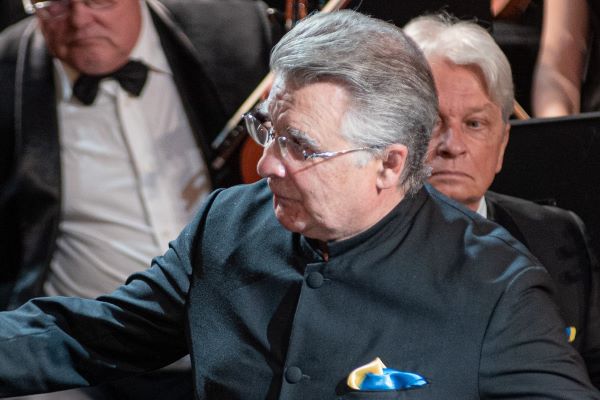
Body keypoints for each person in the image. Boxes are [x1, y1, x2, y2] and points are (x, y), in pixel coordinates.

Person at [0, 9, 598, 399]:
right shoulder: (228, 223)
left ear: (389, 164)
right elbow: (91, 335)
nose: (266, 165)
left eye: (301, 146)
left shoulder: (495, 285)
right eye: (269, 132)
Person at [0, 0, 272, 398]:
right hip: (80, 356)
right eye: (54, 3)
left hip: (232, 345)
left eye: (98, 0)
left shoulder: (233, 27)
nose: (80, 19)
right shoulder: (8, 68)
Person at [405, 13, 600, 388]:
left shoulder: (557, 235)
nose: (453, 146)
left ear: (502, 143)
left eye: (474, 124)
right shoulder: (355, 240)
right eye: (433, 122)